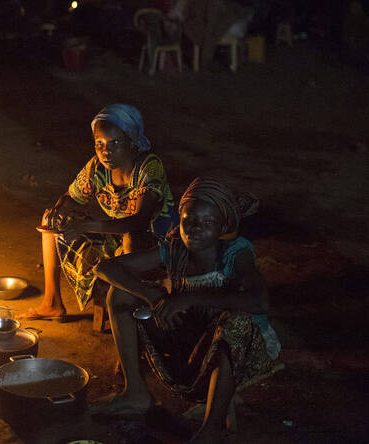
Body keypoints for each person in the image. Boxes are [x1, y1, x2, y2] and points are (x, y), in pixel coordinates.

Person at [94, 177, 281, 443]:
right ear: (179, 218)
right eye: (188, 220)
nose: (194, 229)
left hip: (241, 352)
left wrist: (190, 299)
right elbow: (105, 268)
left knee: (235, 323)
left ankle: (211, 429)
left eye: (208, 223)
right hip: (193, 338)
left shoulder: (234, 253)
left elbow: (260, 301)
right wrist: (150, 293)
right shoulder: (174, 249)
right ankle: (135, 391)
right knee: (120, 294)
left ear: (222, 227)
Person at [18, 104, 175, 320]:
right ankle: (52, 302)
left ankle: (130, 311)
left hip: (155, 243)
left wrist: (85, 226)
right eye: (99, 143)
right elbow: (71, 197)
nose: (105, 151)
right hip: (118, 238)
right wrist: (59, 210)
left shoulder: (149, 167)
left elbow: (137, 223)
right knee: (50, 220)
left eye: (115, 143)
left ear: (132, 141)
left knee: (130, 238)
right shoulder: (98, 168)